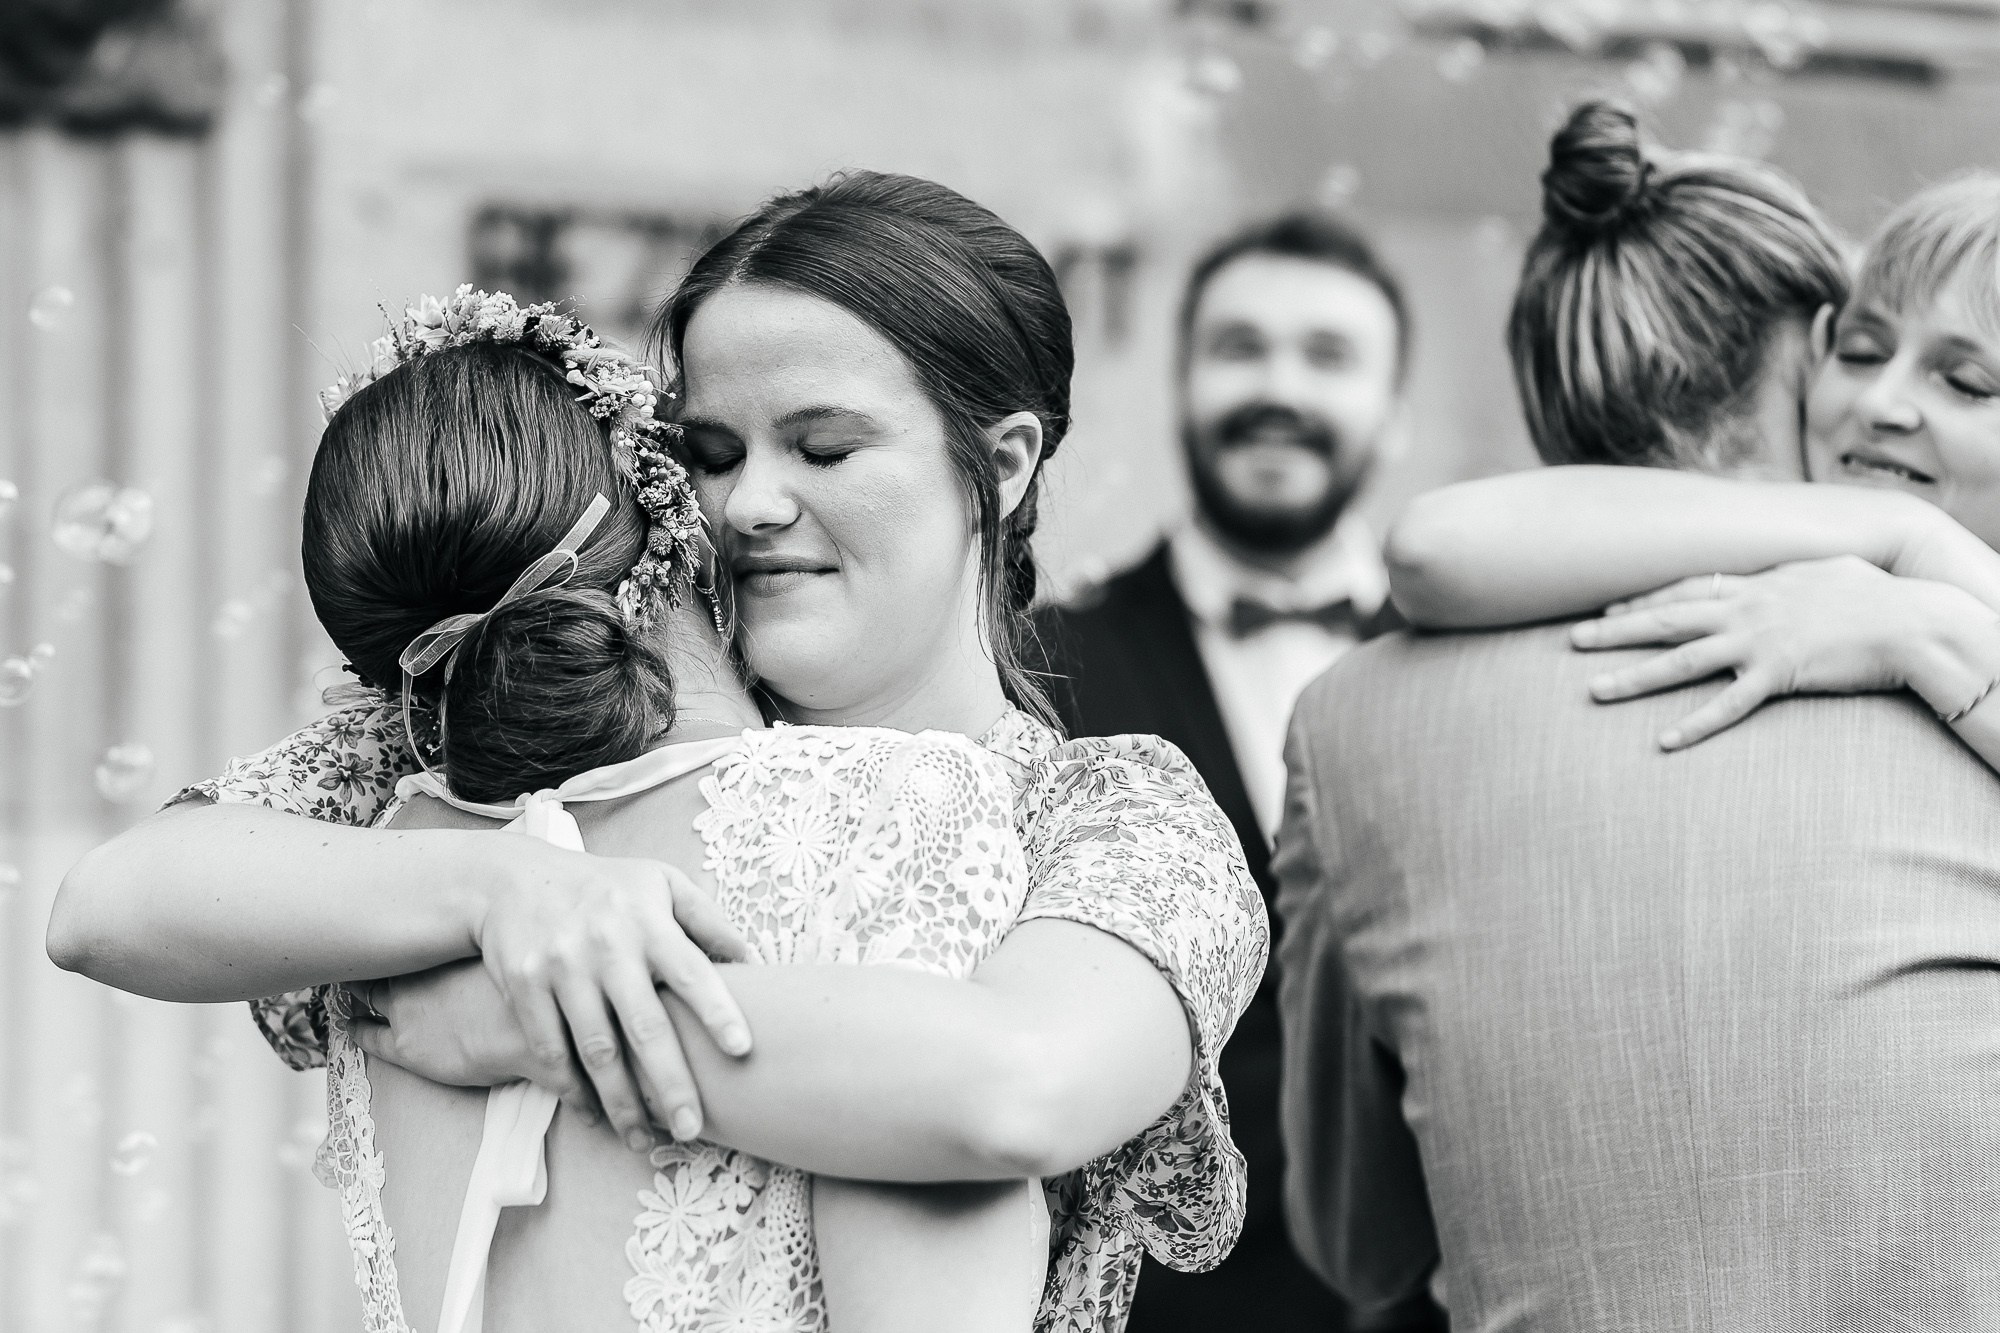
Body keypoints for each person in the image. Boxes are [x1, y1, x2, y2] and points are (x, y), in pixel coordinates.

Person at [50, 173, 1269, 1333]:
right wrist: (506, 887)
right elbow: (113, 902)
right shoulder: (548, 731)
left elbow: (1017, 1087)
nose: (749, 506)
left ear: (998, 468)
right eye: (713, 454)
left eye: (823, 449)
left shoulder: (1110, 811)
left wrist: (522, 1022)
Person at [1277, 103, 2000, 1330]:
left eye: (1962, 376)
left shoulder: (1347, 723)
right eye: (1860, 346)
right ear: (1804, 351)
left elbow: (1358, 1240)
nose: (1885, 404)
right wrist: (1903, 542)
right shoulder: (1935, 667)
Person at [270, 292, 1048, 1329]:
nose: (750, 502)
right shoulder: (888, 803)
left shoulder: (368, 871)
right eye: (713, 456)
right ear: (668, 504)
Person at [1037, 212, 1428, 1333]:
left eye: (1327, 356)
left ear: (1394, 412)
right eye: (1239, 348)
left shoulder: (1479, 673)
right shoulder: (1042, 663)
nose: (1278, 388)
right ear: (1179, 384)